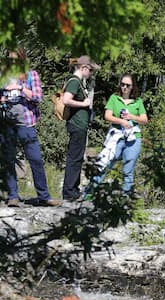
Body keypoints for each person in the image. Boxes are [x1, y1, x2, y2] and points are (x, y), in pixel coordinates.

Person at [0, 48, 60, 207]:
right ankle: (13, 196)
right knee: (8, 159)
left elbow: (38, 96)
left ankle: (44, 196)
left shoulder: (30, 74)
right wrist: (1, 99)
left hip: (26, 122)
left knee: (35, 158)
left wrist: (20, 88)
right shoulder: (3, 76)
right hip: (7, 122)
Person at [89, 73, 148, 196]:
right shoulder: (114, 98)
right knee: (104, 163)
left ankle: (126, 199)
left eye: (128, 85)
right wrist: (121, 121)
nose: (125, 87)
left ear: (132, 87)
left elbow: (144, 120)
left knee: (128, 170)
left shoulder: (138, 101)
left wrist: (131, 117)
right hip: (116, 137)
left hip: (133, 139)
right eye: (122, 84)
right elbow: (107, 116)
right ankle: (89, 193)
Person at [61, 55, 99, 201]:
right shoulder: (74, 81)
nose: (91, 73)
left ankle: (73, 190)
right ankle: (70, 192)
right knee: (74, 158)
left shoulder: (78, 82)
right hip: (76, 125)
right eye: (90, 70)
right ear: (83, 68)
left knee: (77, 158)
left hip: (80, 126)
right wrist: (83, 104)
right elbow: (66, 100)